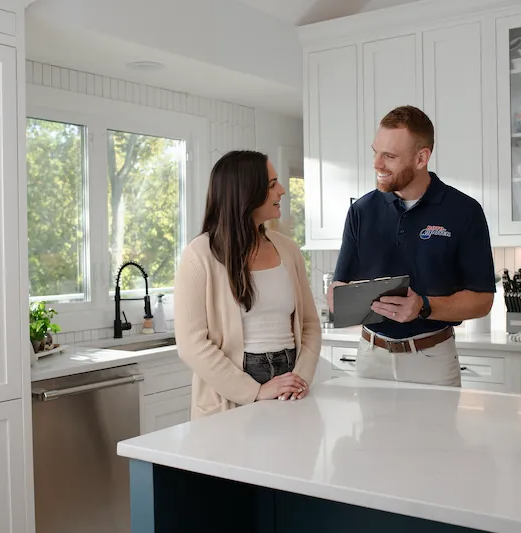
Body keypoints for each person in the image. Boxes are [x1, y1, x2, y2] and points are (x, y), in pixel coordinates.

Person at [328, 105, 495, 387]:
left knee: (436, 434)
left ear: (421, 158)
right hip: (371, 358)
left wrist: (423, 307)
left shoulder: (464, 212)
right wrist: (336, 296)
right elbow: (340, 283)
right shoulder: (361, 211)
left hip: (432, 359)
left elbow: (482, 301)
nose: (377, 164)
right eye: (375, 152)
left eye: (389, 156)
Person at [174, 150, 321, 419]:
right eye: (272, 184)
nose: (283, 190)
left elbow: (310, 325)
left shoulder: (288, 250)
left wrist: (299, 378)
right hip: (232, 393)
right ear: (246, 193)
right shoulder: (199, 255)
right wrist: (255, 391)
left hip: (290, 381)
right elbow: (191, 344)